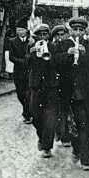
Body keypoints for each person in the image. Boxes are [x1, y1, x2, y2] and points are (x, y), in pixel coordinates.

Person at [59, 17, 89, 170]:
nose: (77, 32)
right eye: (75, 30)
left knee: (87, 125)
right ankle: (77, 148)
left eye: (81, 30)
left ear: (85, 31)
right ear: (70, 30)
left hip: (88, 91)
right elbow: (54, 63)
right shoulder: (63, 44)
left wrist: (84, 56)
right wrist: (68, 54)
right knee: (73, 126)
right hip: (69, 91)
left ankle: (87, 159)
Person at [27, 24, 61, 158]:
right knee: (35, 116)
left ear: (48, 35)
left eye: (45, 34)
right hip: (36, 86)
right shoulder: (31, 48)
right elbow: (26, 64)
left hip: (51, 86)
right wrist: (32, 54)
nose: (42, 37)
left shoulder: (54, 47)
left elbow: (57, 64)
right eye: (40, 35)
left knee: (50, 118)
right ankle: (42, 137)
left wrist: (50, 55)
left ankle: (47, 147)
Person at [7, 17, 33, 124]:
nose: (20, 32)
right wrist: (23, 62)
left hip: (29, 72)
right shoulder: (12, 41)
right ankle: (27, 111)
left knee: (28, 94)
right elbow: (11, 57)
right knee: (20, 94)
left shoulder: (31, 41)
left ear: (26, 30)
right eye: (18, 30)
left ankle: (27, 114)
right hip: (18, 72)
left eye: (22, 29)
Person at [51, 24, 72, 148]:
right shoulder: (52, 47)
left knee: (67, 109)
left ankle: (66, 134)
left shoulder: (71, 44)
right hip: (55, 82)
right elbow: (54, 61)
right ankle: (60, 132)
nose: (60, 37)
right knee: (58, 110)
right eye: (57, 35)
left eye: (62, 34)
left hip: (67, 82)